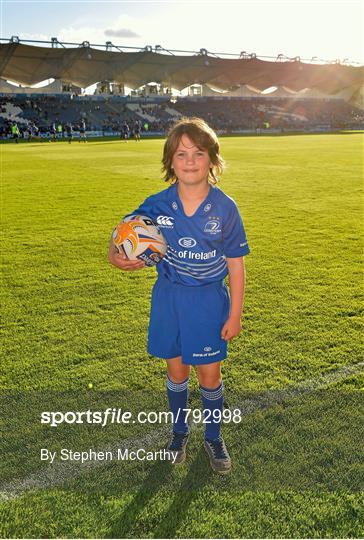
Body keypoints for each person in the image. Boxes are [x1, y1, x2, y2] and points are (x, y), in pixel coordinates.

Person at [108, 117, 250, 474]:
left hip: (207, 301)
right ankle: (179, 431)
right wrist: (115, 255)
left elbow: (236, 265)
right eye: (181, 154)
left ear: (212, 161)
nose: (189, 161)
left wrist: (234, 314)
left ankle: (214, 436)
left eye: (198, 153)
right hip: (169, 298)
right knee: (176, 370)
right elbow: (123, 233)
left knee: (209, 376)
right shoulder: (156, 204)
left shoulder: (225, 208)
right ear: (170, 162)